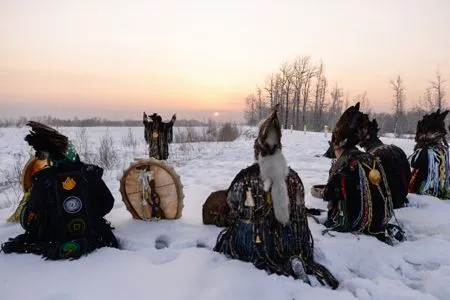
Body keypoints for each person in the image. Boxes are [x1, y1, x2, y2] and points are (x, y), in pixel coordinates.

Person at [214, 105, 339, 289]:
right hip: (294, 239)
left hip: (256, 242)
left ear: (257, 148)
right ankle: (294, 258)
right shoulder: (294, 178)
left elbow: (232, 202)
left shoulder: (246, 177)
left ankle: (271, 257)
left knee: (228, 240)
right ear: (279, 147)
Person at [1, 121, 119, 260]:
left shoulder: (43, 179)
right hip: (91, 233)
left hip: (53, 238)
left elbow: (30, 221)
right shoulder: (90, 172)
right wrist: (89, 212)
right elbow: (108, 203)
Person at [323, 103, 396, 244]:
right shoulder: (370, 159)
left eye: (335, 149)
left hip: (357, 221)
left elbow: (328, 194)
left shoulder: (345, 166)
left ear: (339, 147)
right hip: (379, 220)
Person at [358, 118, 411, 208]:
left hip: (386, 204)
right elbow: (408, 175)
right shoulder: (397, 150)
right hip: (402, 198)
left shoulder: (371, 157)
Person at [409, 109, 450, 199]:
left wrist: (419, 147)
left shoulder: (425, 151)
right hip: (441, 189)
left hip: (425, 191)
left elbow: (414, 163)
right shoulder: (444, 150)